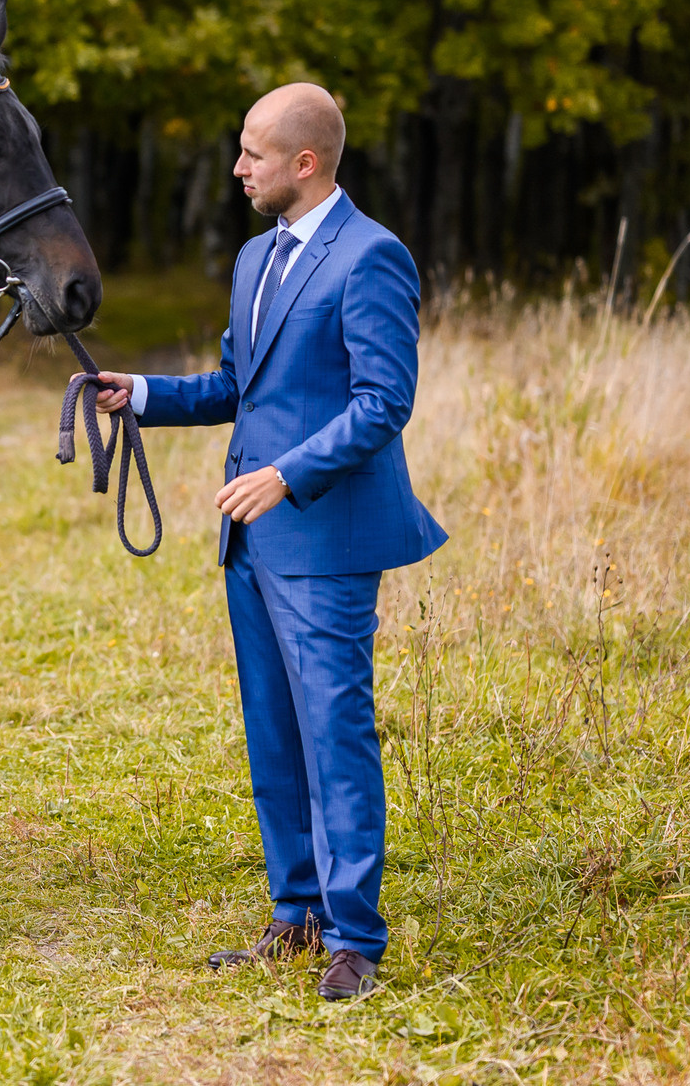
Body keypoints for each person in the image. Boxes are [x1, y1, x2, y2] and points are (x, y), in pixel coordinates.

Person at [91, 84, 446, 1001]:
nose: (237, 167)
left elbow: (383, 403)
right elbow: (236, 386)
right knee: (274, 734)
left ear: (305, 162)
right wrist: (147, 391)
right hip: (249, 543)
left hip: (325, 536)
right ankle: (294, 915)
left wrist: (288, 473)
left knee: (336, 731)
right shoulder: (255, 258)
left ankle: (356, 939)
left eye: (252, 152)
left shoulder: (373, 256)